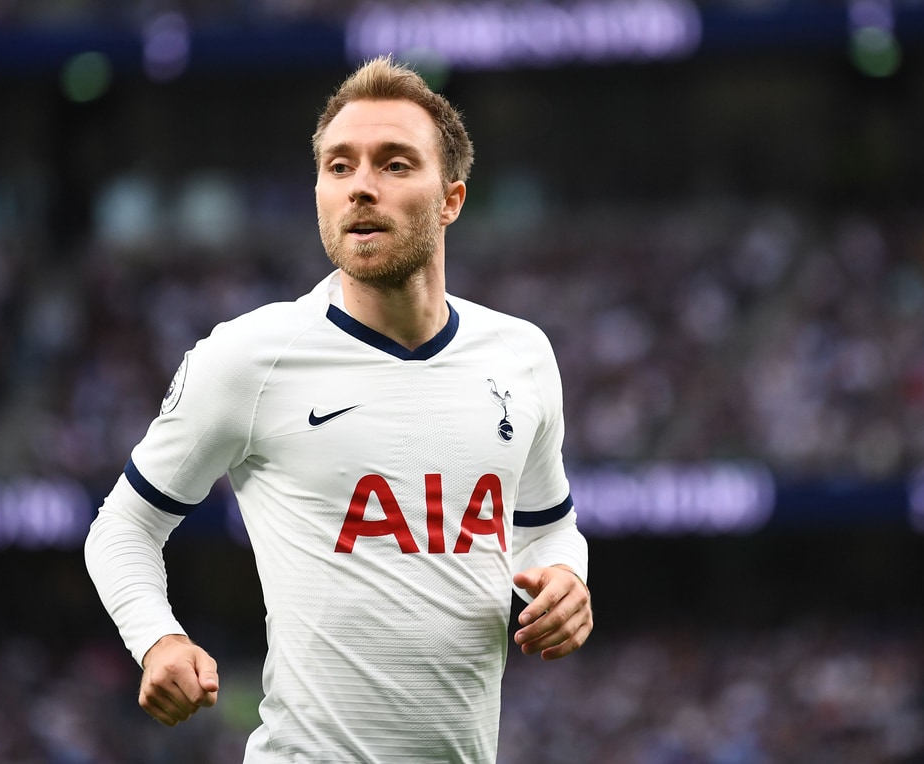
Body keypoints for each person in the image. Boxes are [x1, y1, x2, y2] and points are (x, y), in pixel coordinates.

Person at [84, 55, 593, 763]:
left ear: (451, 200)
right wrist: (158, 638)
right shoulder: (249, 357)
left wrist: (567, 578)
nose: (361, 186)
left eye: (394, 164)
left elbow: (548, 528)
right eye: (340, 166)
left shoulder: (521, 355)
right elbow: (123, 526)